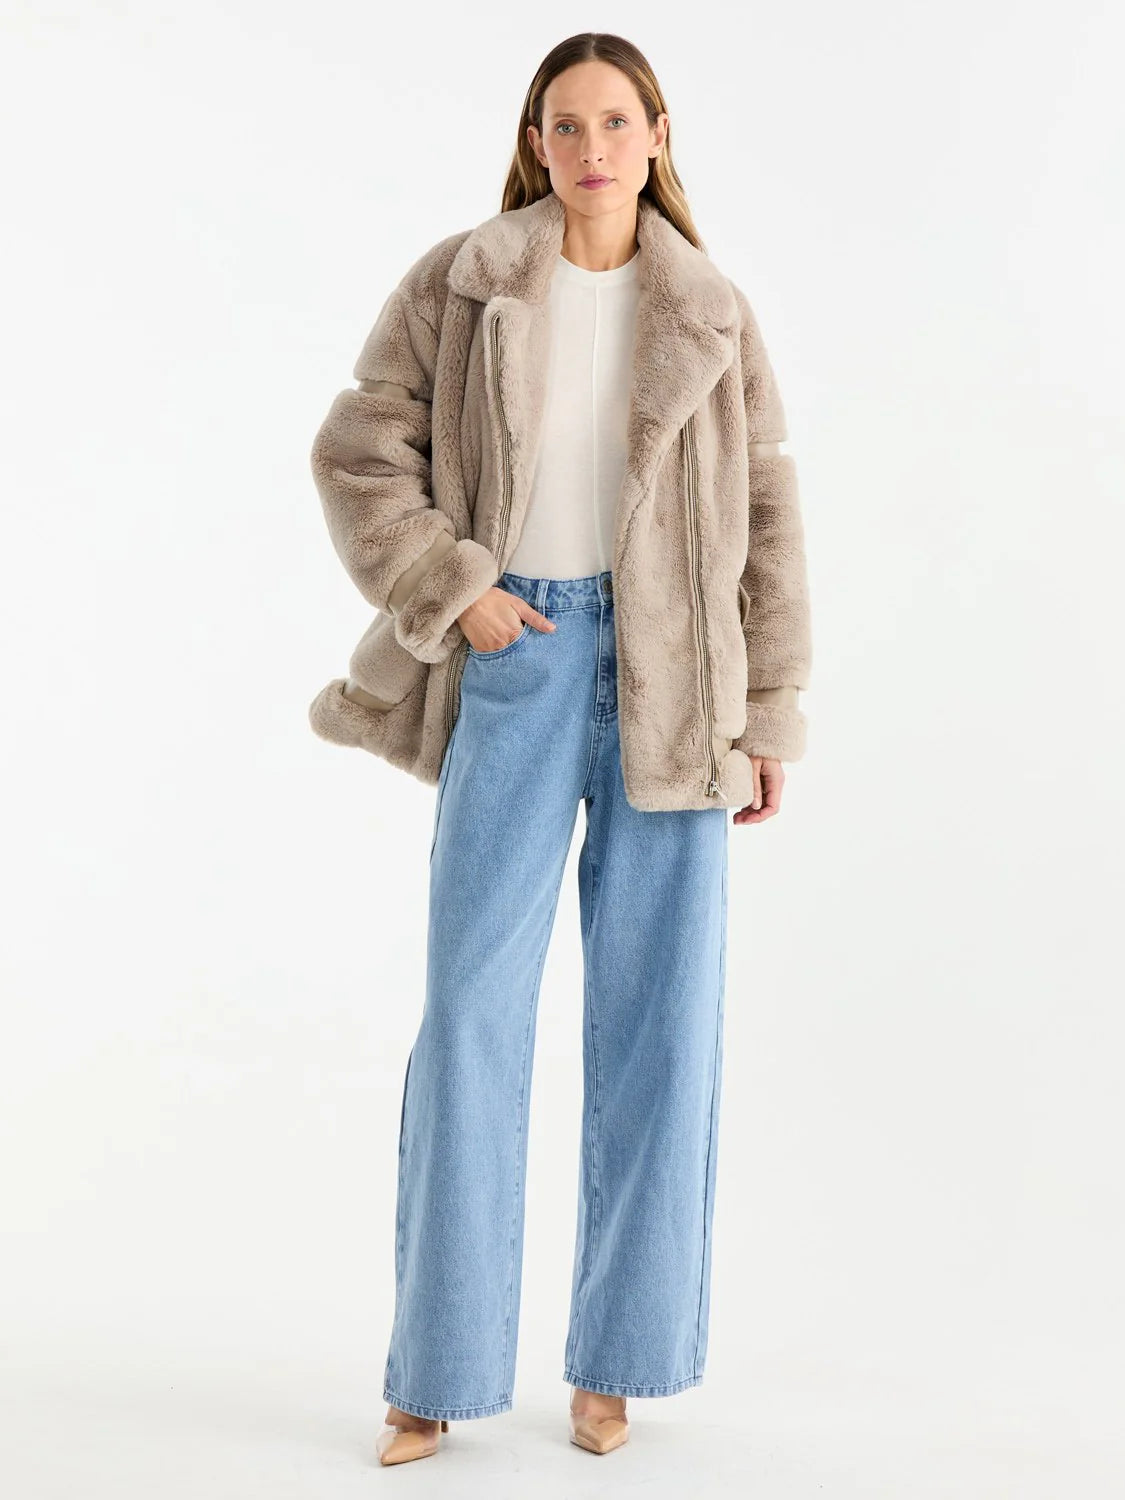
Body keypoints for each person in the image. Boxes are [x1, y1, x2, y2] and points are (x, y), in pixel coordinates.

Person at [308, 30, 812, 1466]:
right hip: (518, 656)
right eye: (564, 124)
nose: (591, 148)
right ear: (536, 143)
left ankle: (618, 1366)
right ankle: (434, 1370)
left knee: (660, 1023)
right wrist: (454, 586)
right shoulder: (465, 281)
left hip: (679, 685)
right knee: (471, 1009)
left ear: (657, 135)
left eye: (614, 122)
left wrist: (768, 711)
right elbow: (358, 450)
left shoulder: (709, 309)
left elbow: (767, 516)